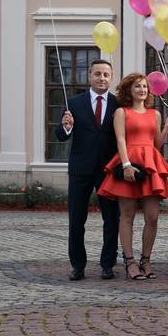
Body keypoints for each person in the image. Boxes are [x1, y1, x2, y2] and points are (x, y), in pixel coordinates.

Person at [97, 73, 168, 280]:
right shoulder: (122, 112)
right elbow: (120, 139)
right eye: (137, 86)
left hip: (150, 164)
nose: (142, 90)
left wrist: (166, 127)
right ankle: (130, 261)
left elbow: (155, 144)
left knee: (152, 216)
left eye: (145, 87)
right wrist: (126, 164)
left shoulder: (155, 114)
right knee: (127, 216)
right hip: (129, 163)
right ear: (129, 90)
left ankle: (146, 260)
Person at [57, 59, 120, 281]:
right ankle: (77, 265)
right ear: (89, 76)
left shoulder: (118, 104)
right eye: (97, 74)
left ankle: (107, 264)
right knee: (76, 219)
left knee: (112, 219)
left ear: (111, 78)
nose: (102, 78)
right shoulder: (73, 103)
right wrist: (67, 127)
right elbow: (61, 134)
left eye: (106, 74)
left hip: (108, 170)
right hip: (80, 169)